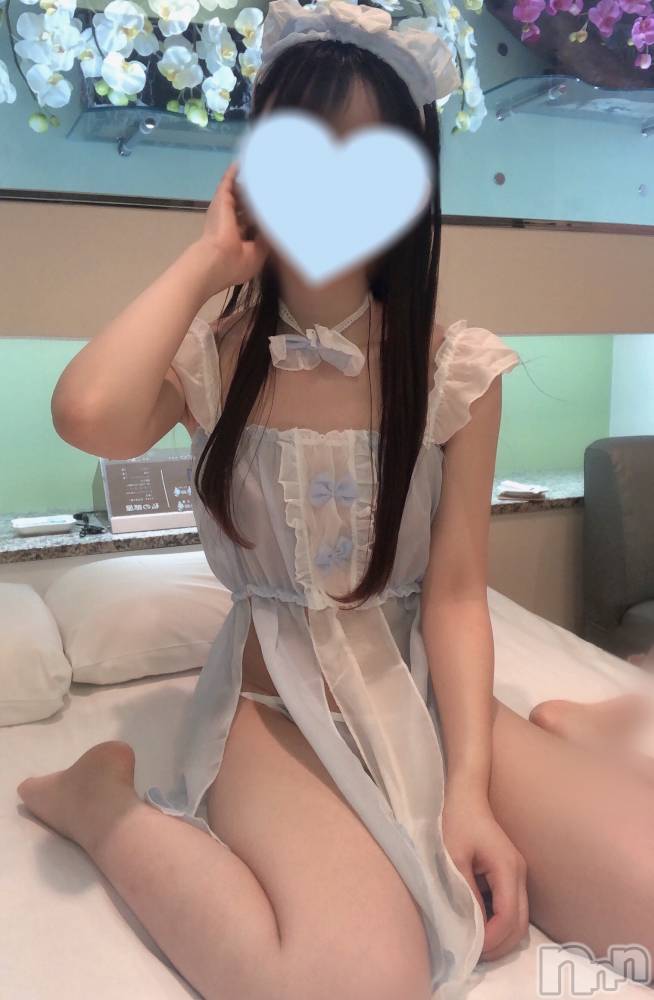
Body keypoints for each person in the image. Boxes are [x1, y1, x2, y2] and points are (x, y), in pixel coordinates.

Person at [16, 2, 654, 998]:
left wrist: (470, 790)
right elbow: (86, 413)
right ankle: (103, 803)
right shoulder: (212, 354)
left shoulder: (453, 369)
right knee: (354, 979)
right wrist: (207, 261)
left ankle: (565, 729)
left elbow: (455, 597)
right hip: (275, 704)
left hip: (422, 690)